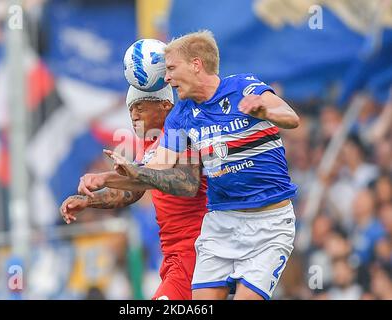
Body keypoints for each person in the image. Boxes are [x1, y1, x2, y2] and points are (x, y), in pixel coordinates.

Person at [103, 30, 300, 300]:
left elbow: (290, 117)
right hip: (222, 224)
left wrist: (266, 111)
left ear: (196, 65)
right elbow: (158, 168)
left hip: (269, 224)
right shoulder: (181, 115)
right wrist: (107, 179)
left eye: (171, 68)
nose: (167, 78)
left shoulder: (244, 87)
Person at [60, 84, 208, 300]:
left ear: (165, 106)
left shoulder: (181, 132)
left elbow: (187, 184)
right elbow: (134, 190)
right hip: (173, 253)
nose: (134, 115)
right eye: (130, 109)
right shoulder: (150, 142)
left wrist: (129, 175)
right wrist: (87, 201)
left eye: (140, 106)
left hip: (194, 248)